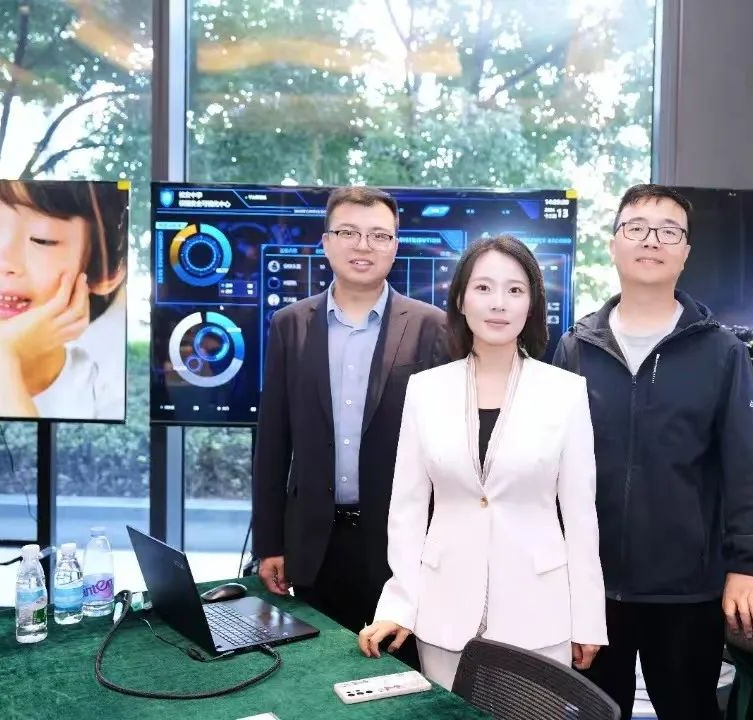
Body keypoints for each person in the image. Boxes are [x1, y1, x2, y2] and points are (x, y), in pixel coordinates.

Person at [553, 184, 753, 720]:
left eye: (668, 231)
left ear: (685, 253)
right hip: (591, 585)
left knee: (690, 710)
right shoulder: (576, 347)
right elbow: (552, 467)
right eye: (636, 227)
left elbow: (744, 464)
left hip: (689, 589)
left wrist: (747, 563)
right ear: (614, 245)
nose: (651, 240)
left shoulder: (721, 351)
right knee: (593, 714)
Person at [358, 234, 607, 690]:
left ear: (531, 305)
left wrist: (589, 618)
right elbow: (407, 511)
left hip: (540, 616)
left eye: (515, 290)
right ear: (461, 299)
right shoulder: (426, 390)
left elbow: (580, 516)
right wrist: (398, 605)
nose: (499, 303)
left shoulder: (564, 392)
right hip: (443, 615)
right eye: (483, 287)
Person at [251, 186, 448, 666]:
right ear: (326, 242)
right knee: (316, 678)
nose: (364, 246)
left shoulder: (433, 327)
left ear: (395, 246)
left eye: (379, 235)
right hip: (314, 545)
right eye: (349, 232)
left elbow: (448, 449)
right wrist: (270, 543)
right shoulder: (290, 325)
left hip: (400, 547)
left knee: (401, 680)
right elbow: (272, 443)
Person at [0, 180, 128, 420]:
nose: (4, 263)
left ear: (104, 273)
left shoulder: (108, 396)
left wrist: (1, 361)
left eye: (43, 239)